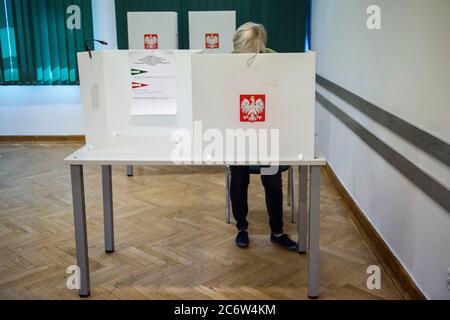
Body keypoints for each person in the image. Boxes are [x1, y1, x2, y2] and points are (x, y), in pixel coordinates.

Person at [230, 22, 298, 251]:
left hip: (268, 131)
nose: (252, 58)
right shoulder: (227, 63)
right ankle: (242, 228)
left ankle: (277, 232)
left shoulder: (273, 60)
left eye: (256, 51)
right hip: (237, 132)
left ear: (261, 46)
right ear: (238, 48)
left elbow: (284, 94)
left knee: (272, 181)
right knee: (239, 181)